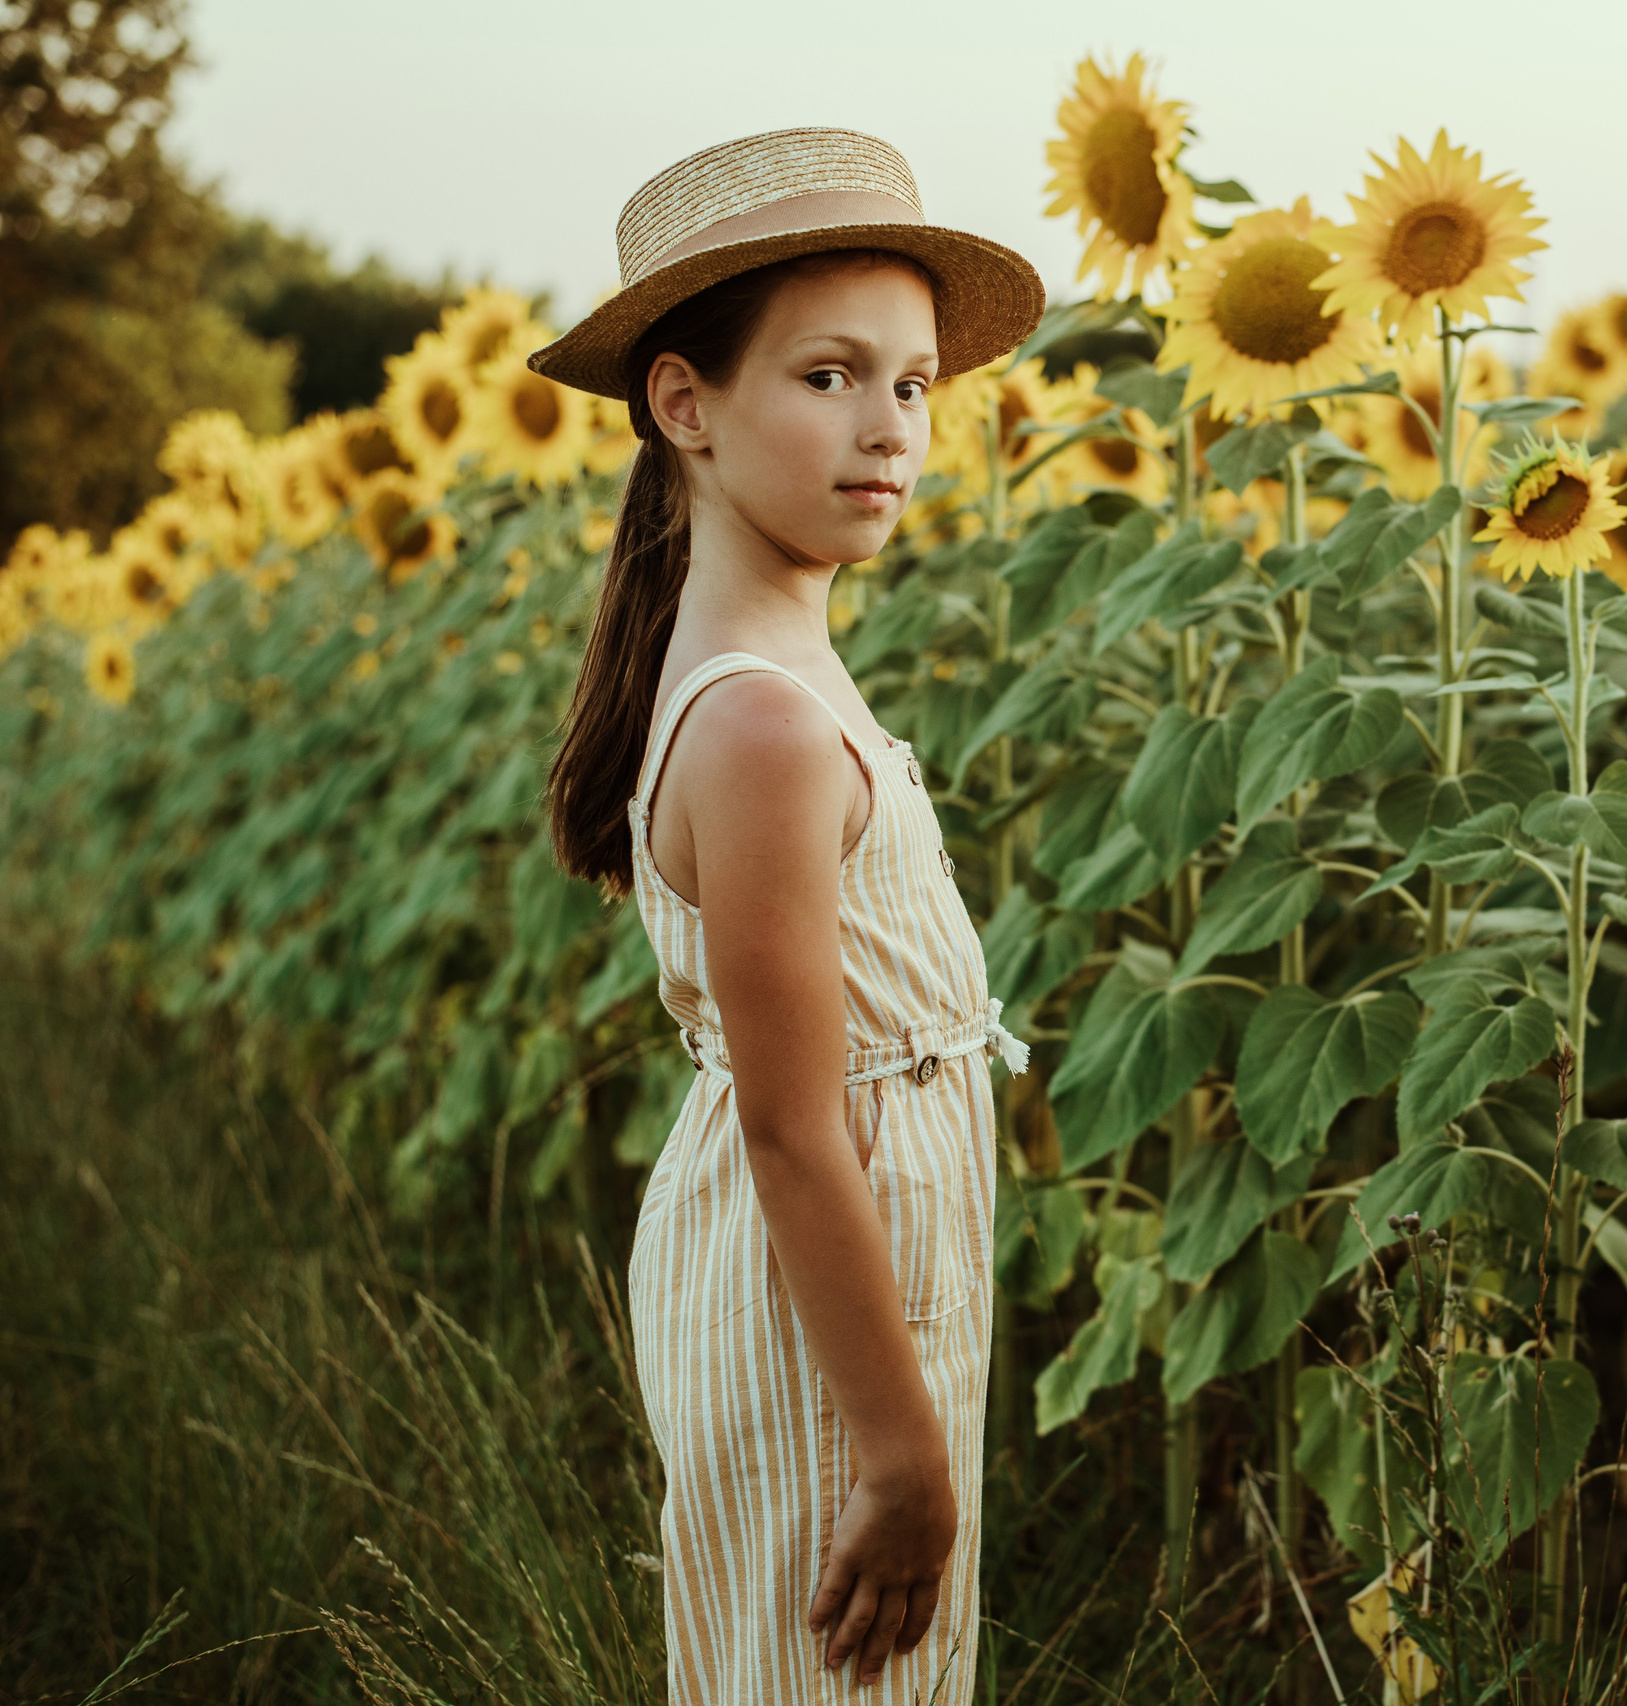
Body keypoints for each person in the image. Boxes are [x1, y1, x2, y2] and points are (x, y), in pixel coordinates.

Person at [534, 127, 1043, 1702]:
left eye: (913, 384)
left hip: (840, 1287)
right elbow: (794, 1127)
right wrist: (898, 1457)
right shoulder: (756, 722)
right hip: (822, 1312)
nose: (889, 426)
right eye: (829, 376)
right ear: (685, 404)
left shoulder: (770, 664)